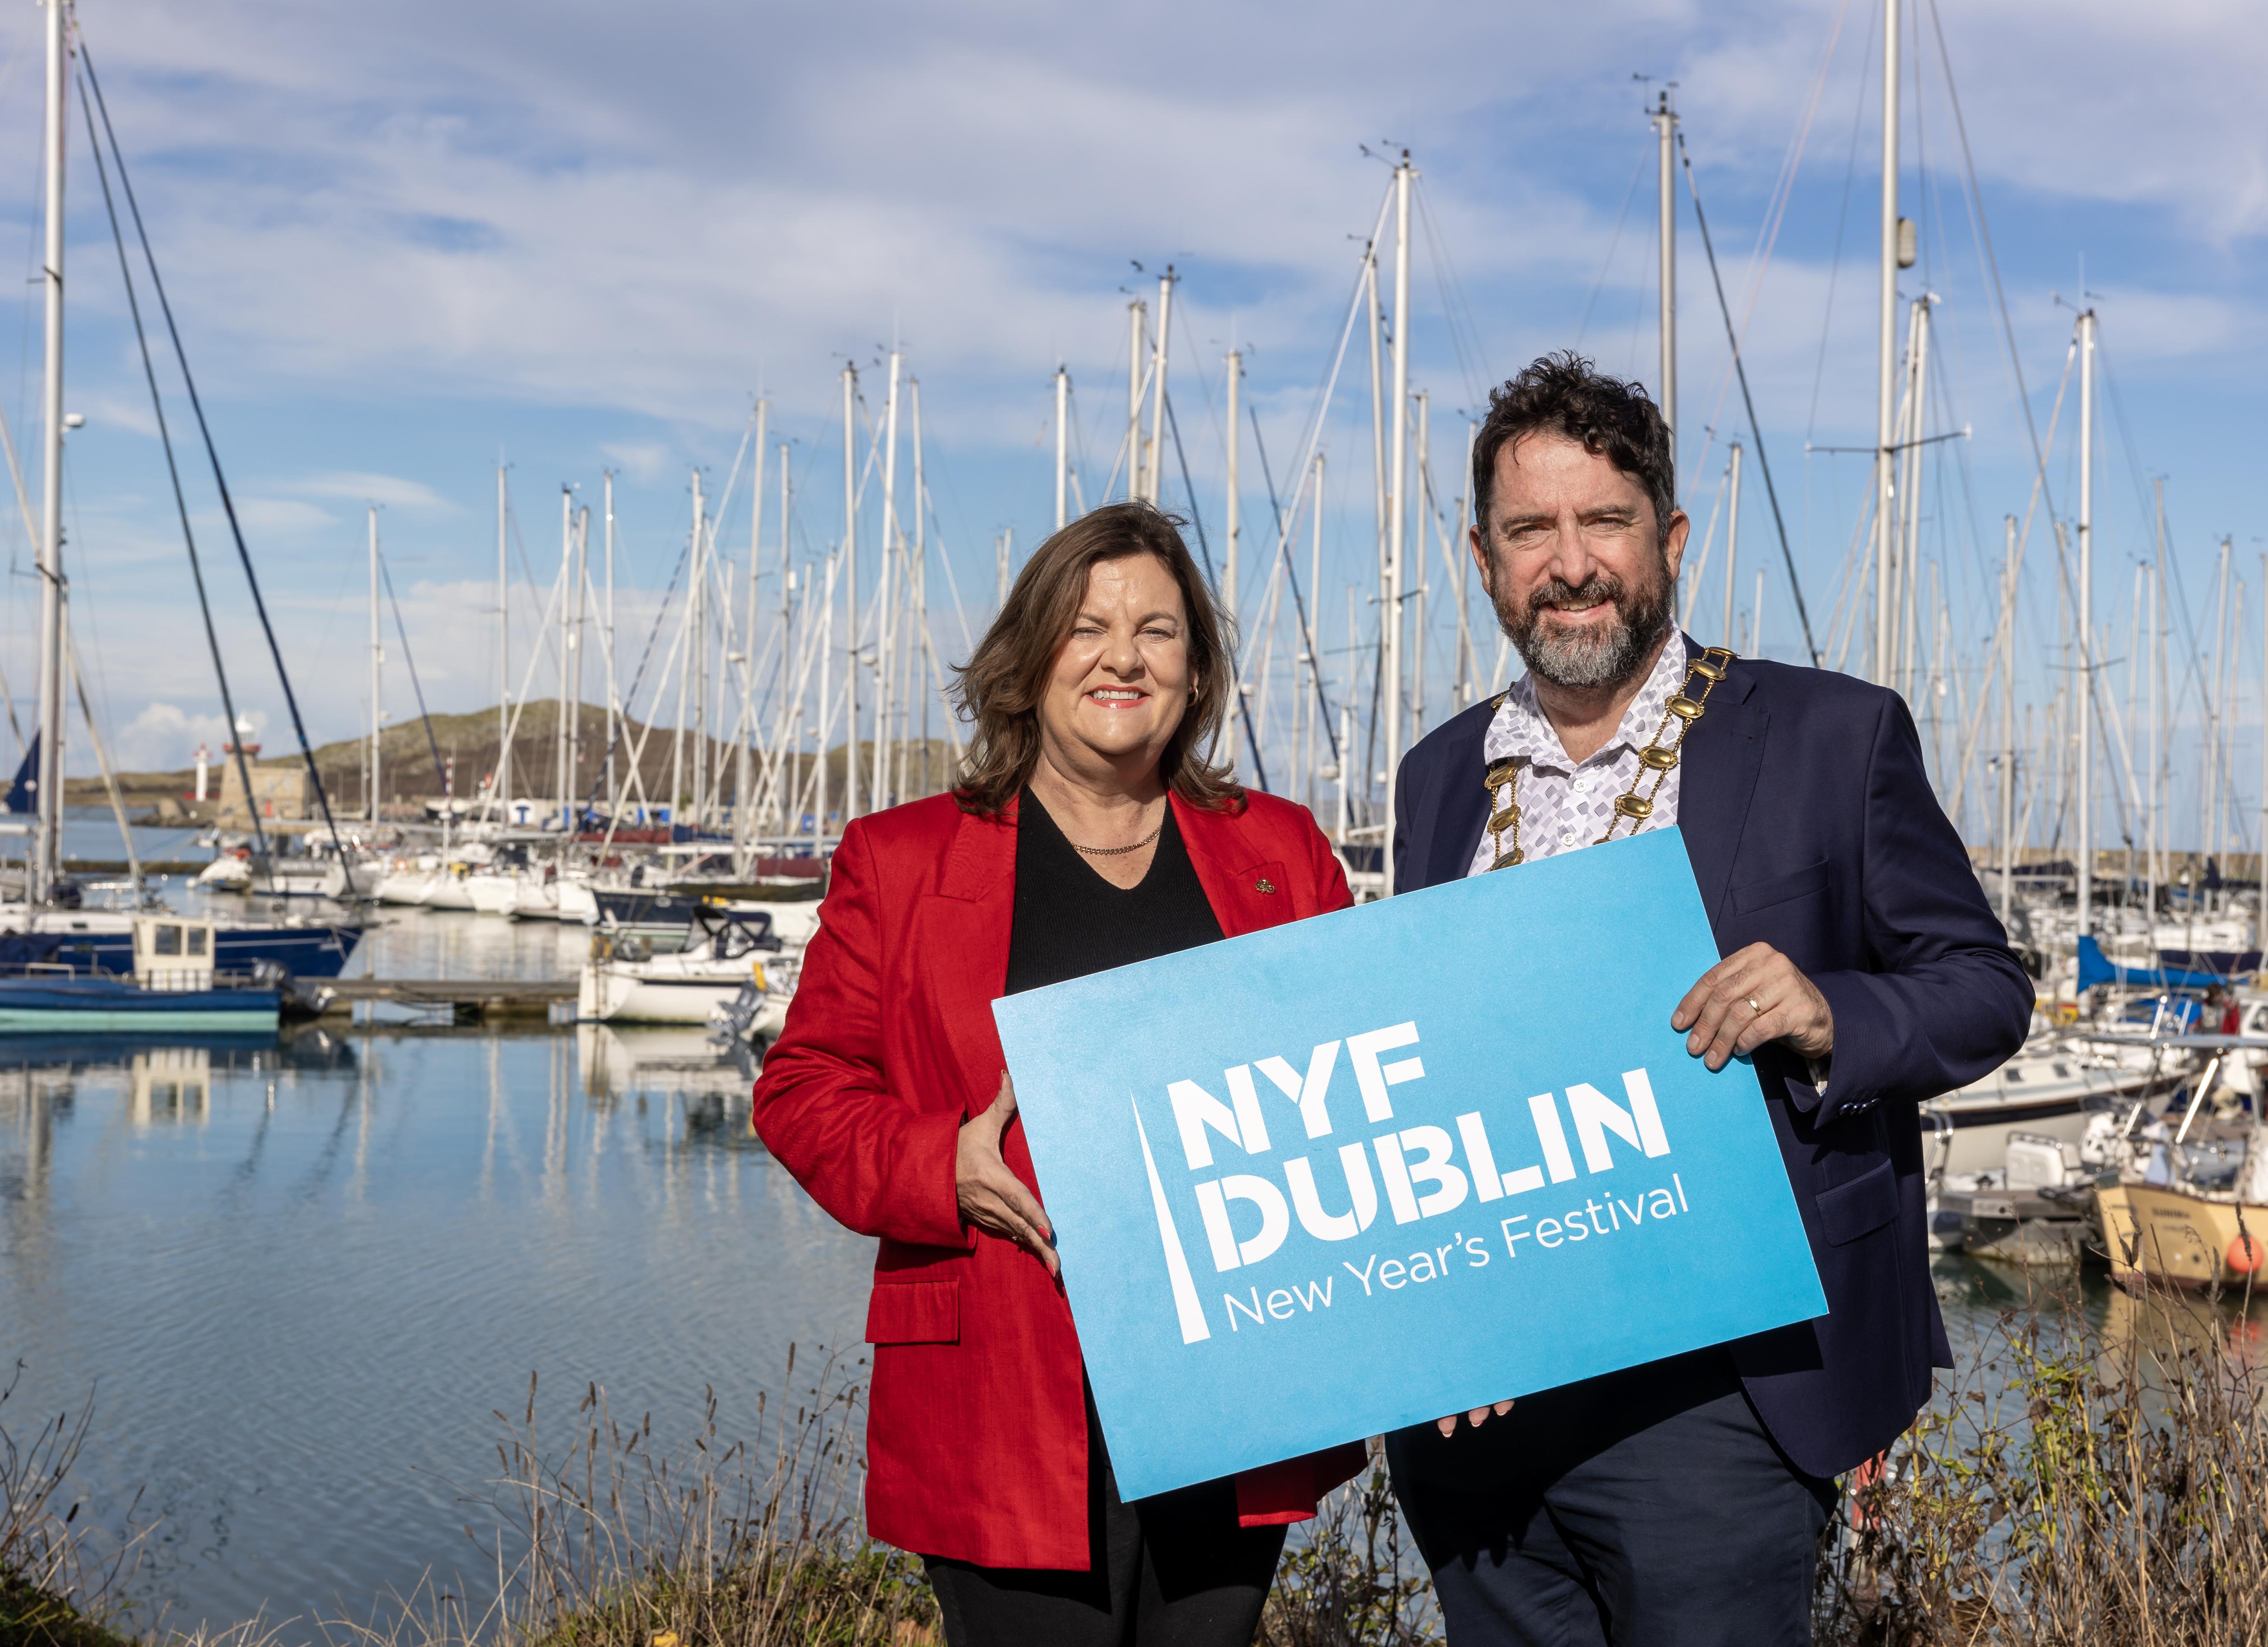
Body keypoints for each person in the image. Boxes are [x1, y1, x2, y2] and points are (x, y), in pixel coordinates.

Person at [1385, 354, 2033, 1645]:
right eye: (1531, 531)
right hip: (1482, 1404)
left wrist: (1831, 1009)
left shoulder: (1831, 735)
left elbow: (1985, 990)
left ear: (1669, 538)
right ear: (1480, 555)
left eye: (1603, 522)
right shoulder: (1436, 776)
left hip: (1724, 1399)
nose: (1569, 563)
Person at [753, 501, 1366, 1647]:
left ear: (1196, 672)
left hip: (1238, 1378)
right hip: (999, 1388)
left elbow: (1363, 1084)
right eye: (1087, 627)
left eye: (1159, 631)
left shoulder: (1281, 852)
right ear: (1029, 660)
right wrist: (945, 1165)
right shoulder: (898, 861)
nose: (1123, 656)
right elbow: (802, 1089)